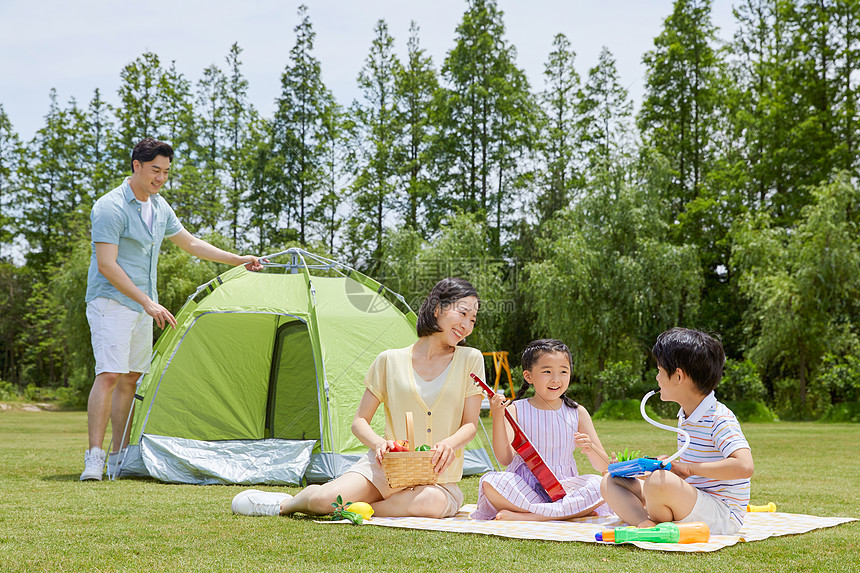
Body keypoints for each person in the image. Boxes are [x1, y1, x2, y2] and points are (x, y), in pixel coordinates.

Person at [81, 137, 264, 481]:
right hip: (112, 301)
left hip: (142, 305)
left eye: (165, 172)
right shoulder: (111, 207)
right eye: (155, 170)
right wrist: (147, 301)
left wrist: (237, 260)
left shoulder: (159, 207)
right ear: (136, 166)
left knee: (131, 379)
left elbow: (191, 243)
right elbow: (107, 264)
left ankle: (119, 458)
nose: (160, 178)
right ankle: (94, 457)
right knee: (109, 375)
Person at [231, 277, 485, 519]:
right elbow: (360, 422)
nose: (467, 324)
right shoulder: (389, 360)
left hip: (437, 478)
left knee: (431, 502)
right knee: (322, 500)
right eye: (462, 313)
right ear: (437, 309)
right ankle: (285, 504)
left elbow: (470, 425)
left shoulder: (471, 359)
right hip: (387, 468)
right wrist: (377, 444)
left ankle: (350, 509)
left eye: (473, 319)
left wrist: (449, 444)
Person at [600, 327, 754, 535]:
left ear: (678, 376)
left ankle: (657, 520)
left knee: (658, 482)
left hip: (722, 515)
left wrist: (687, 469)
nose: (656, 378)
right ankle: (645, 524)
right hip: (693, 499)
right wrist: (642, 468)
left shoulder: (719, 418)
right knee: (611, 481)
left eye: (660, 371)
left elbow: (744, 466)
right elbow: (686, 474)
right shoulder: (686, 415)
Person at [472, 339, 611, 521]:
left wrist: (590, 448)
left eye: (563, 371)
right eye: (547, 371)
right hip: (524, 487)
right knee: (491, 481)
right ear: (529, 376)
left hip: (564, 488)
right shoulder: (516, 410)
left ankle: (530, 516)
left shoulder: (577, 412)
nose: (556, 379)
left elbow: (604, 466)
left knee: (599, 483)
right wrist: (498, 415)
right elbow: (504, 459)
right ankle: (568, 512)